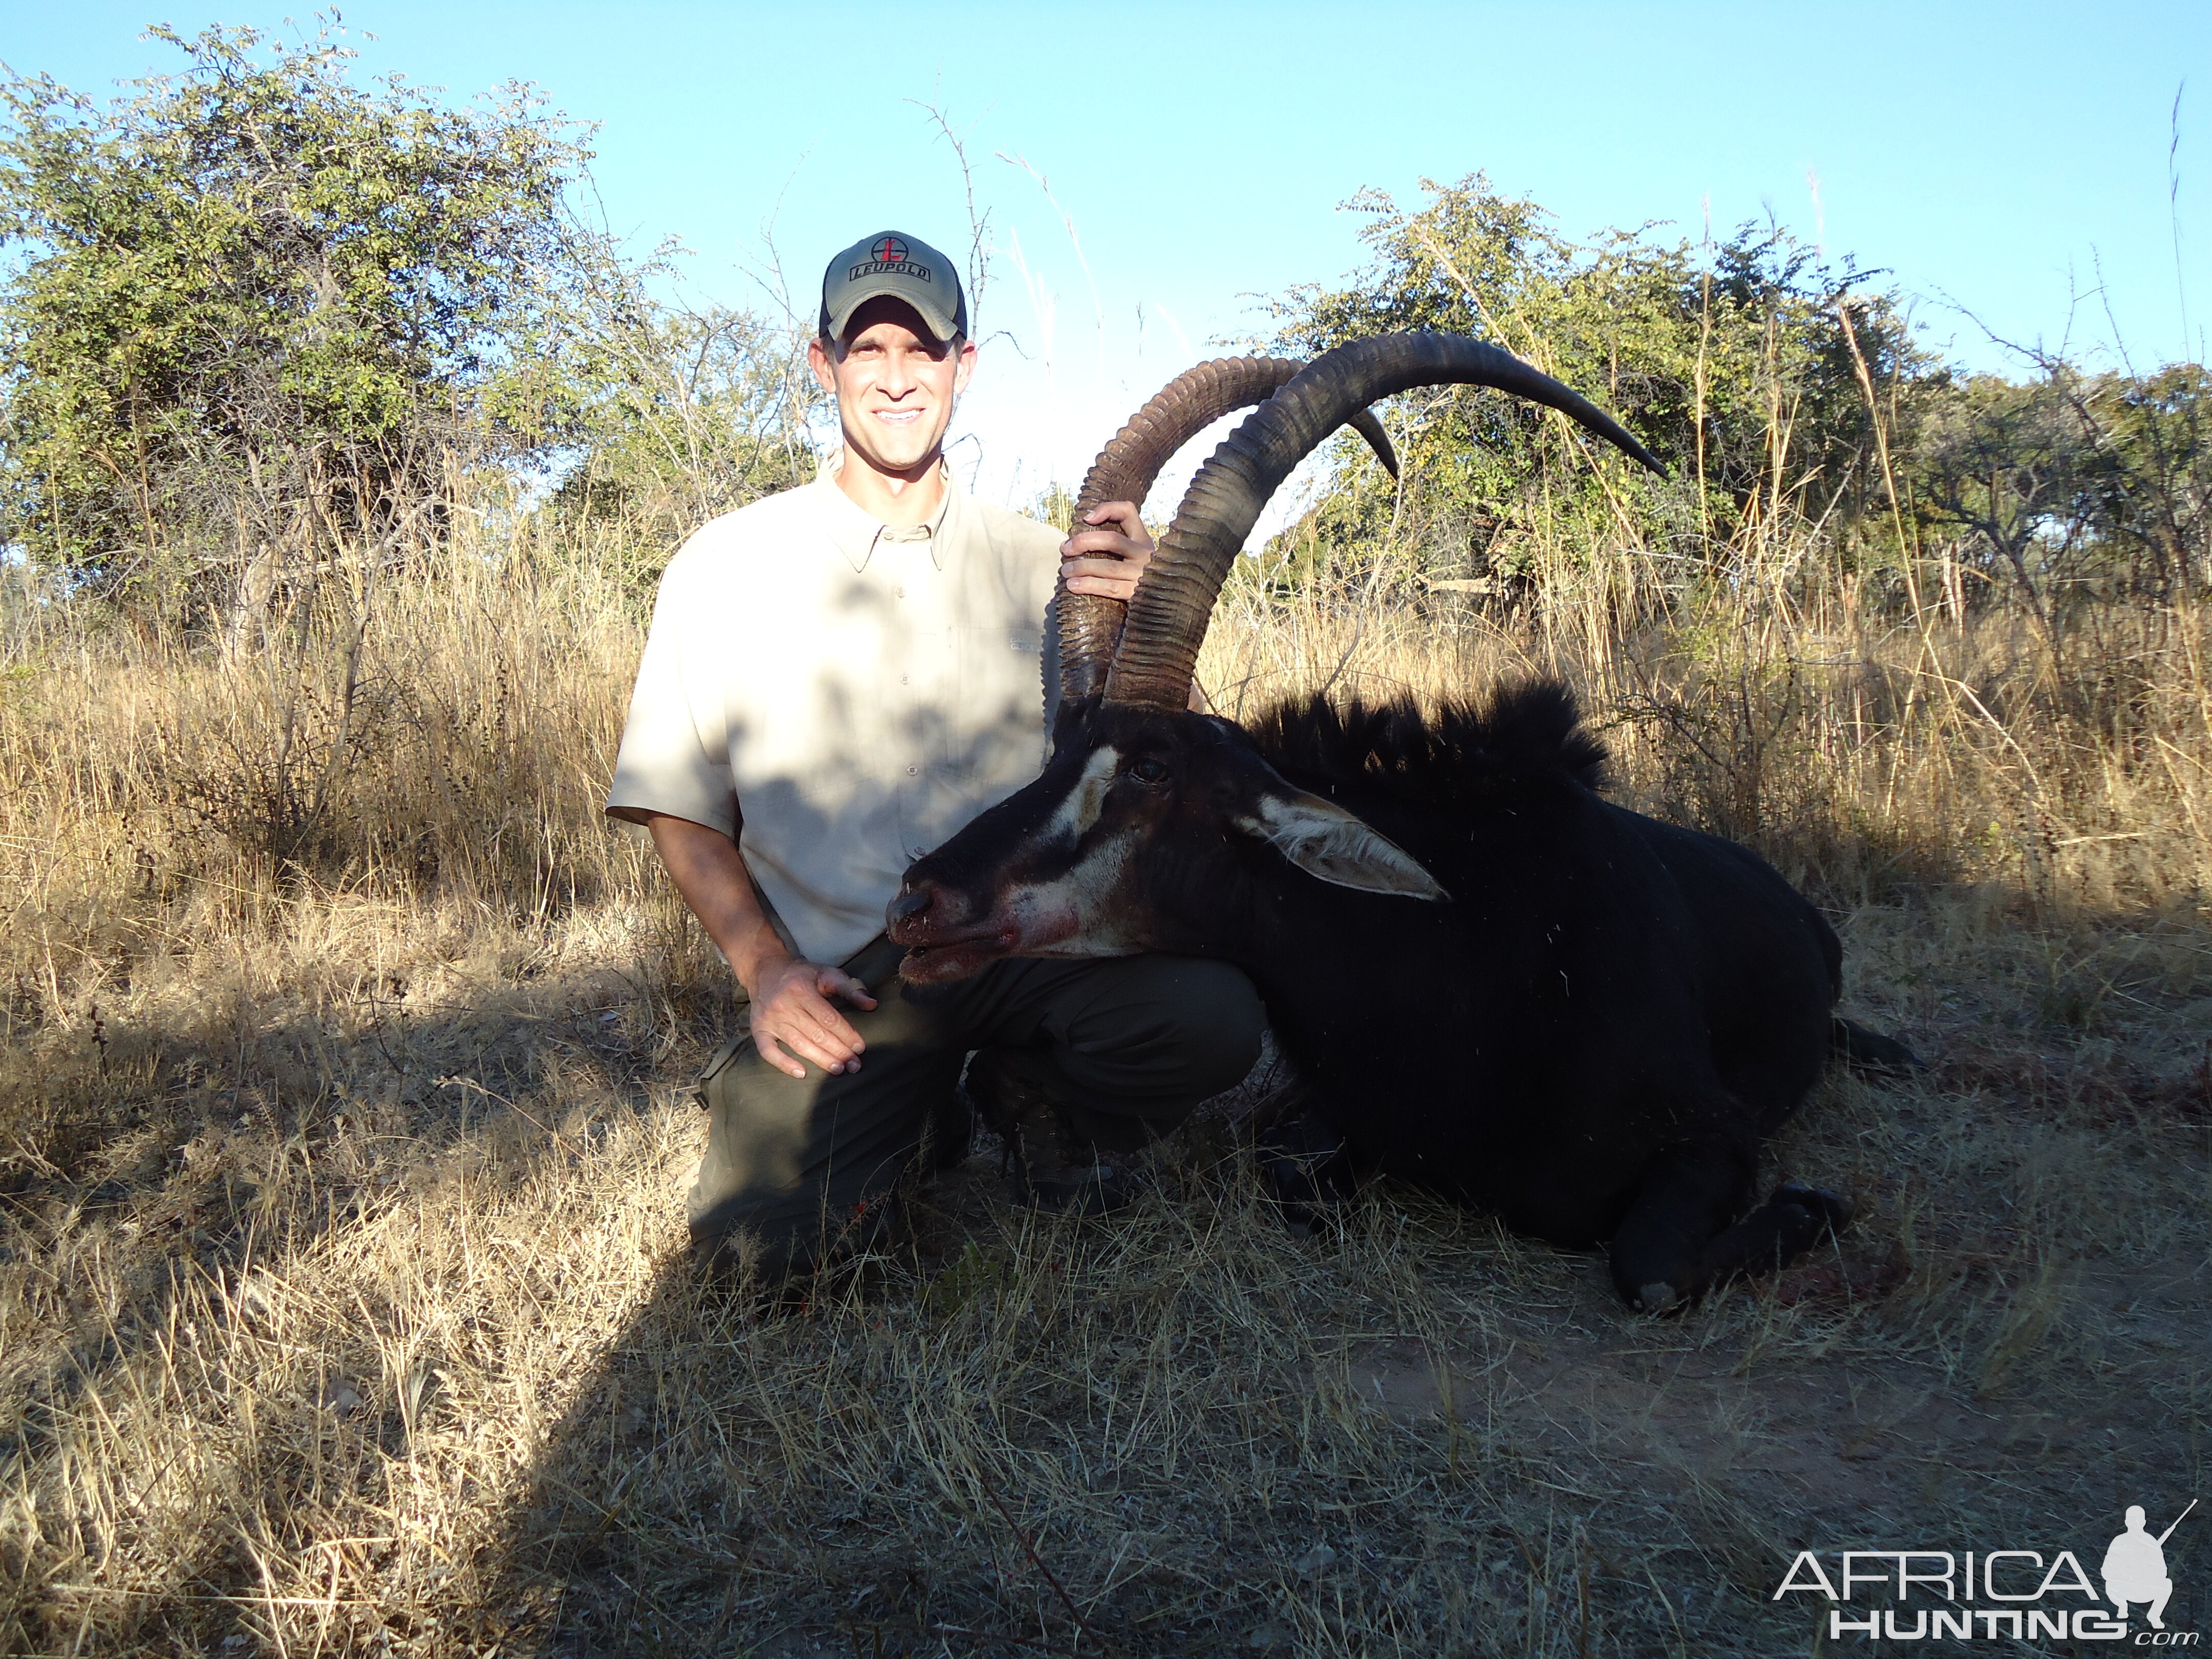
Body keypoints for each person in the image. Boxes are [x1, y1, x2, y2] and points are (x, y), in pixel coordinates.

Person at [605, 229, 1264, 1281]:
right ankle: (897, 1110)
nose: (898, 379)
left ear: (965, 368)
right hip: (855, 977)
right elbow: (680, 807)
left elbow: (1141, 770)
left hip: (1018, 948)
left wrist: (1153, 623)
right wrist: (768, 971)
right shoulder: (726, 564)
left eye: (925, 352)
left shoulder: (1052, 568)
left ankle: (1042, 1101)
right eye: (869, 351)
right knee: (763, 1262)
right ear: (822, 366)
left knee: (1213, 1021)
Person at [2103, 1505, 2176, 1628]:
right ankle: (2122, 1607)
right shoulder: (2119, 1541)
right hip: (2123, 1589)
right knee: (2110, 1584)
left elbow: (2163, 1571)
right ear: (2126, 1522)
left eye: (2138, 1520)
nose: (2135, 1523)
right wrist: (2125, 1571)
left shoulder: (2151, 1542)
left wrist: (2147, 1568)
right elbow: (2106, 1570)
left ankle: (2154, 1616)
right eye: (2132, 1520)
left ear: (2144, 1522)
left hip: (2145, 1589)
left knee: (2167, 1584)